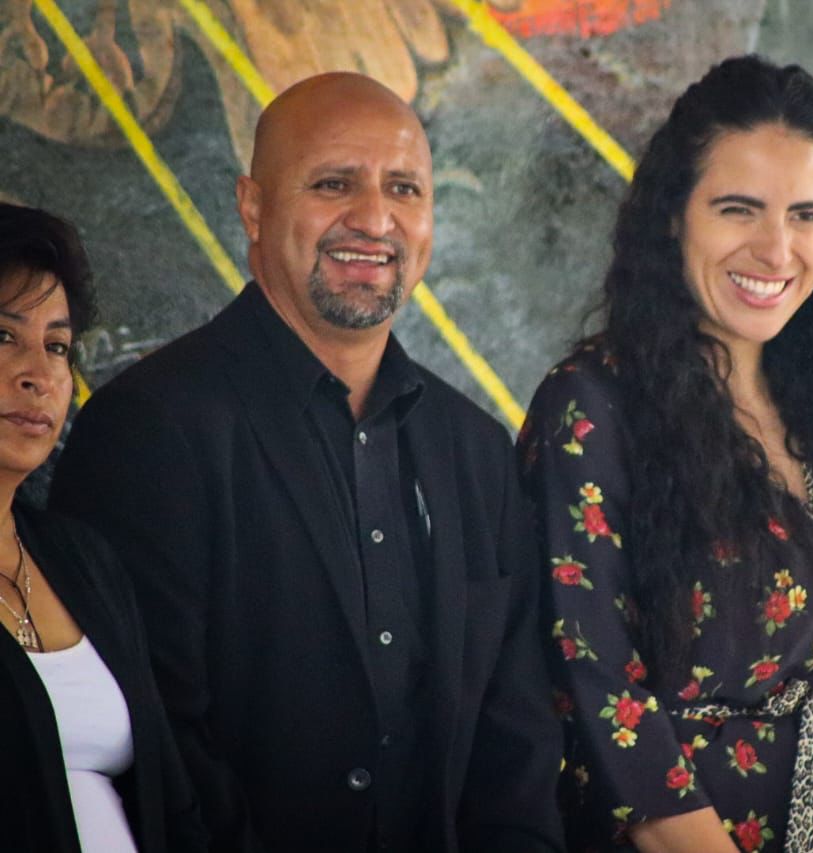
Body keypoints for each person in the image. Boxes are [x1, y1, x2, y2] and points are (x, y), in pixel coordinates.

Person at [49, 73, 563, 852]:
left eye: (404, 188)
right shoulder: (149, 430)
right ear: (253, 206)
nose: (375, 218)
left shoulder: (477, 452)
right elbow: (165, 747)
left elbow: (517, 746)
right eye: (333, 183)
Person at [517, 55, 813, 853]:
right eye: (739, 209)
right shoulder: (592, 405)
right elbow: (595, 684)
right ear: (672, 216)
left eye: (806, 214)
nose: (776, 248)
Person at [0, 203, 206, 852]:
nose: (38, 374)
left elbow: (170, 795)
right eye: (3, 336)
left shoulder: (81, 559)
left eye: (57, 346)